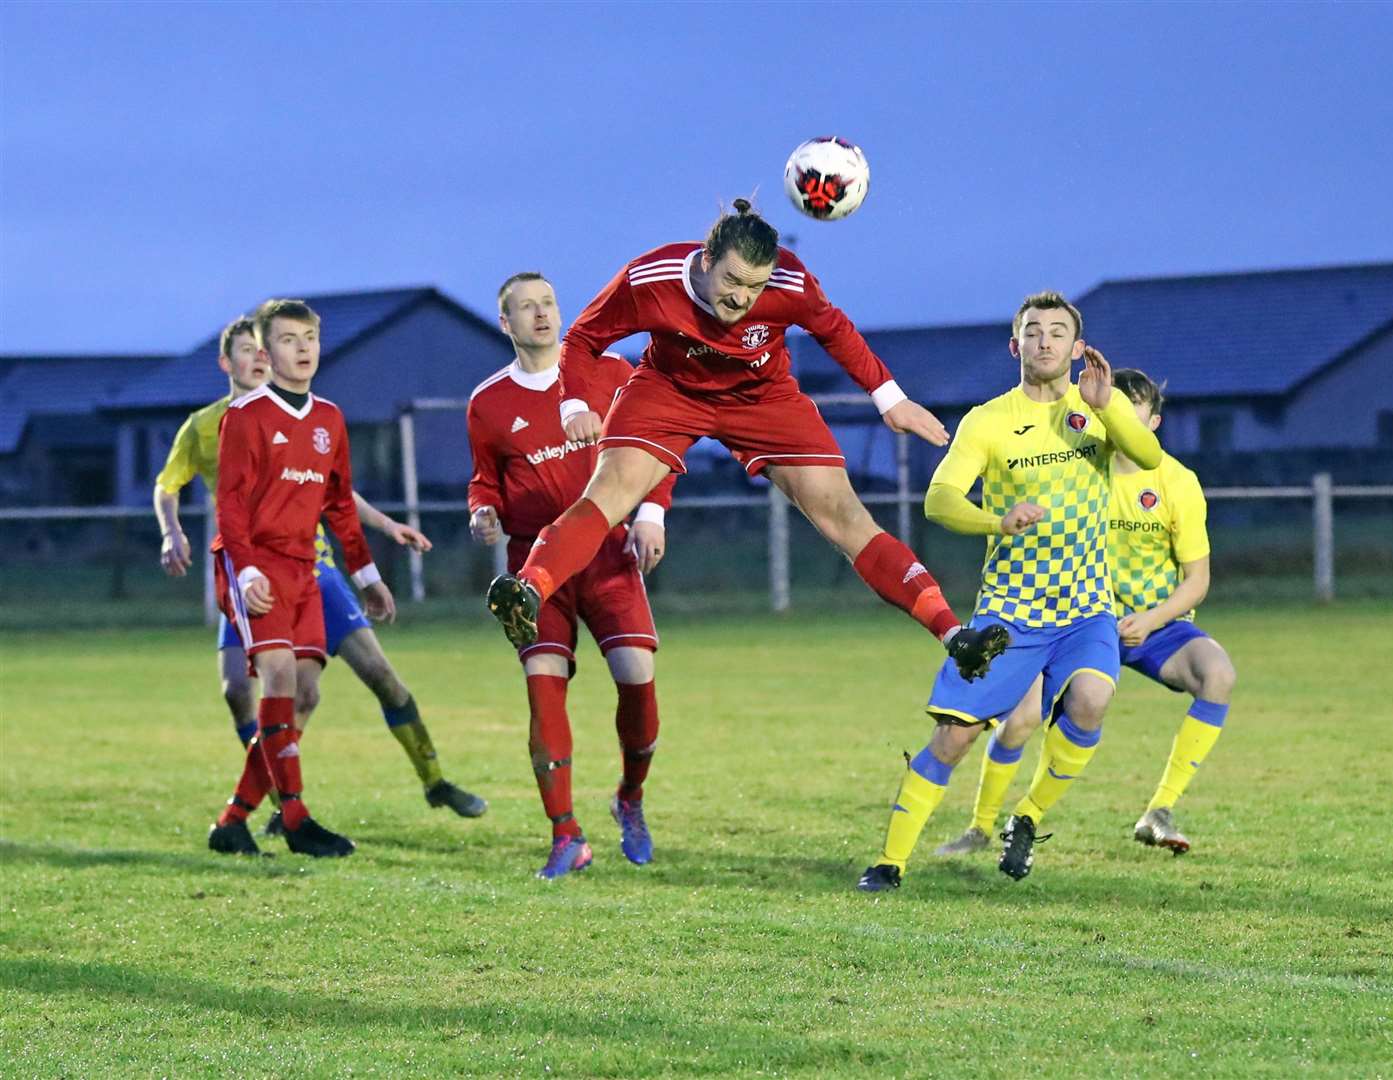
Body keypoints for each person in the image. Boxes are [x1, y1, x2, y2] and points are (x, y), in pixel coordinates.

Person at [483, 200, 1006, 682]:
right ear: (706, 259)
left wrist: (889, 398)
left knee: (846, 518)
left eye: (754, 288)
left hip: (764, 397)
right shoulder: (651, 278)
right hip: (668, 389)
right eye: (732, 280)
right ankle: (527, 591)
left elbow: (835, 329)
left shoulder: (790, 284)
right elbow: (584, 338)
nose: (741, 297)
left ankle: (955, 635)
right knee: (609, 493)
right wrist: (572, 402)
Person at [856, 291, 1163, 891]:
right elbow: (939, 500)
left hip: (1085, 608)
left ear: (1077, 349)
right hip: (1012, 612)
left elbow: (1149, 456)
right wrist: (996, 521)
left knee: (1093, 700)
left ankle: (1028, 815)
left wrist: (1112, 411)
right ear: (1014, 345)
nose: (1044, 341)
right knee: (956, 735)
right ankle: (889, 862)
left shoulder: (1098, 408)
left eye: (1057, 332)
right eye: (1033, 331)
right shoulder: (988, 420)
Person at [156, 318, 485, 829]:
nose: (259, 359)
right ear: (227, 363)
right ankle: (272, 803)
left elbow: (334, 490)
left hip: (316, 570)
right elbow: (168, 486)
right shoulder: (207, 425)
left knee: (375, 676)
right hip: (251, 571)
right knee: (244, 691)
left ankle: (434, 781)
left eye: (263, 349)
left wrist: (384, 525)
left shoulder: (307, 415)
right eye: (248, 351)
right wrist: (171, 530)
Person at [934, 369, 1235, 857]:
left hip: (1152, 623)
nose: (1115, 427)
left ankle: (1155, 809)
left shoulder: (1178, 482)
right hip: (1075, 618)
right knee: (1022, 718)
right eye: (1108, 413)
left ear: (1152, 425)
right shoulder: (1074, 467)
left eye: (1130, 419)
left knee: (1218, 673)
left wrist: (1152, 619)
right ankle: (980, 828)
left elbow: (1197, 580)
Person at [469, 272, 671, 879]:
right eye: (526, 307)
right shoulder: (487, 402)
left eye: (549, 303)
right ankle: (566, 835)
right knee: (543, 680)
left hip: (608, 552)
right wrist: (483, 510)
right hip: (535, 566)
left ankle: (629, 798)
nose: (541, 314)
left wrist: (653, 511)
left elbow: (657, 443)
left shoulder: (608, 373)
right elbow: (485, 479)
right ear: (505, 323)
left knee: (637, 673)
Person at [207, 298, 389, 858]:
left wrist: (367, 574)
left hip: (305, 569)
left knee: (306, 692)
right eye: (288, 339)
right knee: (279, 675)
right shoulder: (244, 417)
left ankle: (233, 820)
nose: (303, 347)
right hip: (252, 563)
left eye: (309, 337)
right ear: (266, 353)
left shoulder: (330, 419)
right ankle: (295, 818)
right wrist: (248, 570)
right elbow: (231, 505)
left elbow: (338, 505)